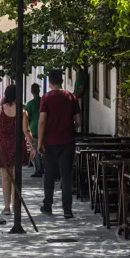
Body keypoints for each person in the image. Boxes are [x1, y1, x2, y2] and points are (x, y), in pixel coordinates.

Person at [37, 70, 81, 218]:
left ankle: (48, 205)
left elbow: (42, 120)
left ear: (50, 82)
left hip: (50, 142)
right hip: (67, 142)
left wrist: (40, 141)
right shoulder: (71, 97)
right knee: (66, 176)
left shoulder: (46, 98)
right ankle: (67, 209)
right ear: (61, 81)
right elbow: (78, 121)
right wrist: (68, 126)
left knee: (49, 175)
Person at [0, 85, 35, 216]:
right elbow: (26, 131)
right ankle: (16, 206)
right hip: (17, 145)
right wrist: (32, 147)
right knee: (16, 177)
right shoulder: (22, 111)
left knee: (5, 177)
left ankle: (6, 207)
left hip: (3, 146)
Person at [25, 83, 44, 178]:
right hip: (45, 129)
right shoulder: (44, 102)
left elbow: (28, 118)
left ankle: (39, 170)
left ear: (32, 91)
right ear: (39, 91)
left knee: (36, 150)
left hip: (35, 129)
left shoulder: (30, 104)